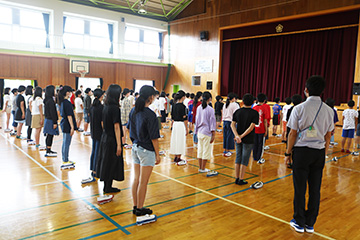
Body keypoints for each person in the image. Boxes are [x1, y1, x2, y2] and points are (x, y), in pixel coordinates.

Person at [285, 75, 334, 233]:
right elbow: (328, 135)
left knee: (300, 188)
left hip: (302, 151)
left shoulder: (298, 108)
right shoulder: (329, 110)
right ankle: (310, 223)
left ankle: (299, 221)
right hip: (319, 152)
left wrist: (287, 153)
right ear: (322, 91)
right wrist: (324, 153)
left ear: (306, 90)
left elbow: (292, 133)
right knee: (315, 188)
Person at [127, 85, 160, 220]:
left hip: (135, 147)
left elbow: (129, 129)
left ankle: (136, 206)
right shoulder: (150, 114)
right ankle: (140, 209)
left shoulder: (133, 111)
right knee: (143, 182)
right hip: (146, 150)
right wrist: (157, 154)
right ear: (151, 98)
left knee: (136, 179)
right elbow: (154, 138)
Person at [96, 84, 124, 193]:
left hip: (105, 137)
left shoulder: (105, 106)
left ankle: (107, 186)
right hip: (112, 139)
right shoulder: (115, 108)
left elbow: (103, 123)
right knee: (111, 162)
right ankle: (107, 187)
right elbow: (116, 127)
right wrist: (118, 144)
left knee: (107, 162)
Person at [231, 94, 259, 185]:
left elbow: (232, 125)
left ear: (242, 101)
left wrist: (237, 136)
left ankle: (236, 177)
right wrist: (241, 136)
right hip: (248, 139)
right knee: (245, 159)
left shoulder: (238, 111)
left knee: (238, 157)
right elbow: (251, 128)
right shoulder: (254, 113)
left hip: (238, 138)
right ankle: (241, 179)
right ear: (253, 102)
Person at [82, 89, 105, 184]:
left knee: (94, 151)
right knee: (98, 152)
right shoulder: (101, 107)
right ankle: (96, 171)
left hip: (93, 131)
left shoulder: (92, 107)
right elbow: (102, 122)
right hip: (99, 132)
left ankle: (93, 169)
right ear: (101, 96)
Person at [194, 91, 218, 176]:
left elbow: (196, 121)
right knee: (206, 151)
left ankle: (201, 167)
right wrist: (213, 134)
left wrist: (196, 131)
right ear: (210, 99)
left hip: (200, 132)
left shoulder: (199, 108)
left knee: (200, 150)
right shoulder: (210, 109)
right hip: (206, 132)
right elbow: (212, 123)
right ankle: (203, 168)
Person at [59, 86, 77, 166]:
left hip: (64, 123)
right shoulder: (67, 103)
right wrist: (72, 127)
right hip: (67, 124)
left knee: (65, 142)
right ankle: (65, 160)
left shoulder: (63, 102)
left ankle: (65, 158)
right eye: (70, 91)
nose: (71, 93)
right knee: (66, 143)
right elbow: (69, 116)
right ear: (67, 93)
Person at [170, 90, 188, 164]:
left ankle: (175, 156)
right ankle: (178, 157)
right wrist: (187, 129)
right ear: (183, 97)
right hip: (180, 124)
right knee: (180, 140)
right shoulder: (183, 106)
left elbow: (172, 117)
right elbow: (185, 118)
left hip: (175, 124)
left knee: (175, 140)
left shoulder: (174, 105)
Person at [253, 93, 270, 164]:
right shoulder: (264, 108)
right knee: (261, 144)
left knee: (255, 143)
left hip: (254, 129)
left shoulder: (254, 108)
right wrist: (266, 130)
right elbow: (265, 120)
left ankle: (255, 157)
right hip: (261, 129)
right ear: (264, 100)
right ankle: (259, 157)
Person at [222, 92, 240, 157]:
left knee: (226, 136)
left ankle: (225, 149)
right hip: (231, 122)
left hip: (225, 121)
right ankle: (227, 151)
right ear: (233, 98)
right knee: (230, 137)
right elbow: (237, 114)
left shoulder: (225, 104)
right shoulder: (234, 105)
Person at [43, 85, 59, 157]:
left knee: (49, 135)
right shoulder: (50, 101)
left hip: (47, 119)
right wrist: (55, 122)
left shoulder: (47, 99)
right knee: (50, 135)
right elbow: (53, 112)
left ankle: (48, 149)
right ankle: (48, 150)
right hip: (50, 120)